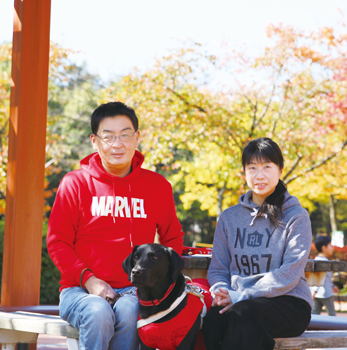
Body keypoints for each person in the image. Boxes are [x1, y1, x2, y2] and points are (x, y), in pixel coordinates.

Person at [47, 101, 184, 350]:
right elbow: (57, 242)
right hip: (80, 290)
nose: (117, 144)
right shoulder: (74, 183)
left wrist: (161, 281)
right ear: (94, 141)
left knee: (131, 308)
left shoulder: (158, 187)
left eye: (125, 135)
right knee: (98, 310)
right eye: (108, 137)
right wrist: (89, 280)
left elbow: (172, 239)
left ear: (137, 138)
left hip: (136, 290)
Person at [202, 137, 313, 350]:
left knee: (242, 316)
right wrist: (222, 292)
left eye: (267, 167)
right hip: (239, 301)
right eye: (252, 168)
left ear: (280, 170)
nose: (259, 175)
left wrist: (240, 295)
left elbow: (289, 274)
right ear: (244, 173)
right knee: (215, 318)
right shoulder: (229, 217)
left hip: (289, 302)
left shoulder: (296, 216)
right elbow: (218, 268)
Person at [311, 235, 339, 316]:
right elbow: (317, 278)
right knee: (332, 314)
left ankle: (313, 328)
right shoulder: (323, 262)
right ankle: (336, 328)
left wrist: (333, 285)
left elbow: (325, 277)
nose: (332, 248)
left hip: (318, 294)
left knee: (315, 314)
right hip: (326, 293)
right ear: (324, 248)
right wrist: (314, 291)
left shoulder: (317, 259)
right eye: (330, 245)